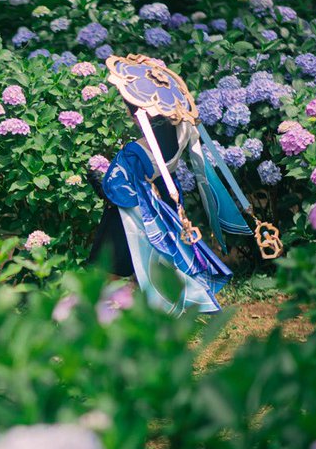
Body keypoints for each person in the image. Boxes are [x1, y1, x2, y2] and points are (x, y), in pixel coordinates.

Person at [86, 54, 264, 315]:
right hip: (165, 201)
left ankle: (96, 309)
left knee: (110, 263)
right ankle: (140, 306)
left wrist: (99, 180)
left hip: (132, 214)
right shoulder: (181, 132)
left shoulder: (135, 152)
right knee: (154, 260)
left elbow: (116, 187)